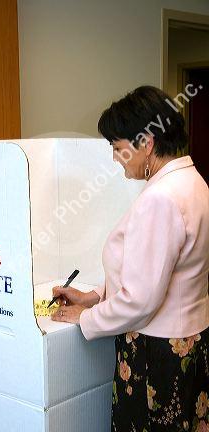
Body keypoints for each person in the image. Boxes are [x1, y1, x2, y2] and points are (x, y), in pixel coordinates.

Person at [51, 85, 209, 431]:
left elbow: (141, 299)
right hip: (188, 343)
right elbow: (160, 272)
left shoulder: (161, 199)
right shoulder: (193, 182)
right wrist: (94, 295)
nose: (114, 158)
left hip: (156, 353)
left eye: (117, 148)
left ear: (146, 143)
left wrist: (86, 316)